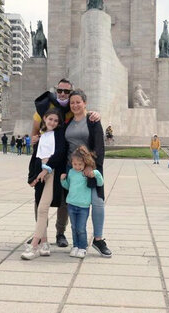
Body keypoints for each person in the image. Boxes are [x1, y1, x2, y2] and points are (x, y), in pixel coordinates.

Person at [31, 79, 100, 248]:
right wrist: (34, 140)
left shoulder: (71, 109)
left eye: (66, 92)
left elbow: (82, 113)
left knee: (64, 199)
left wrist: (96, 114)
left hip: (65, 162)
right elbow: (34, 136)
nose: (62, 94)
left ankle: (60, 233)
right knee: (40, 200)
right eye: (59, 90)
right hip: (45, 163)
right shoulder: (42, 110)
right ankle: (40, 234)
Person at [64, 89, 111, 257]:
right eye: (72, 102)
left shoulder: (92, 120)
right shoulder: (67, 121)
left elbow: (99, 145)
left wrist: (93, 167)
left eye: (78, 102)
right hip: (72, 169)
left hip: (90, 169)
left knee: (97, 202)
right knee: (76, 204)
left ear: (85, 103)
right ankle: (78, 242)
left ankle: (98, 239)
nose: (75, 105)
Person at [22, 109, 65, 260]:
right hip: (39, 174)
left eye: (56, 120)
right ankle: (45, 243)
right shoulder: (40, 136)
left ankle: (34, 245)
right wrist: (31, 177)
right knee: (41, 208)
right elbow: (35, 158)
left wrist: (46, 171)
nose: (52, 122)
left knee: (42, 208)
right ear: (45, 119)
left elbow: (60, 153)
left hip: (51, 173)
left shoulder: (59, 135)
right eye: (50, 119)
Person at [61, 146, 103, 259]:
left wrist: (96, 174)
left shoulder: (87, 173)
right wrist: (62, 180)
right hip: (71, 204)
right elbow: (68, 186)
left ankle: (82, 247)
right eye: (75, 164)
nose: (77, 167)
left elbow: (100, 183)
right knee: (74, 227)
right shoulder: (71, 172)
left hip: (83, 206)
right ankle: (75, 246)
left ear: (85, 163)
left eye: (80, 164)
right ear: (72, 163)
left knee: (81, 227)